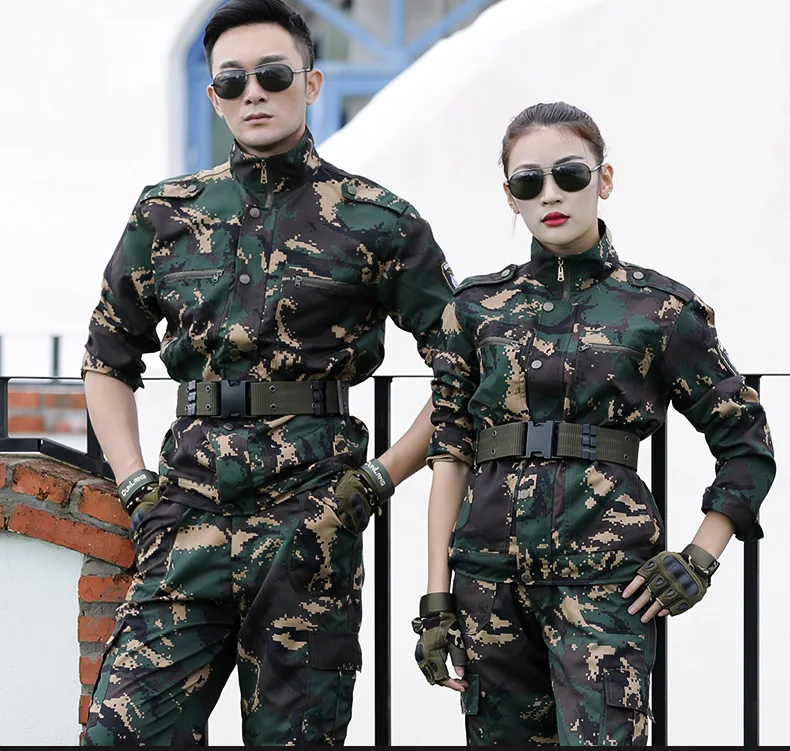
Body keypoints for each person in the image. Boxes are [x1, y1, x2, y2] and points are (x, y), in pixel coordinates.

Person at [79, 0, 457, 745]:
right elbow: (107, 358)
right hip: (184, 515)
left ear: (310, 83)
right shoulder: (165, 214)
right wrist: (135, 485)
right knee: (122, 733)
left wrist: (373, 484)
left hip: (312, 521)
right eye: (232, 80)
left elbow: (465, 373)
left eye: (273, 75)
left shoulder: (378, 220)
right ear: (215, 96)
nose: (253, 92)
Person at [411, 101, 776, 746]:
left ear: (603, 180)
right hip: (488, 582)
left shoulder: (659, 309)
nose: (550, 194)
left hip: (608, 582)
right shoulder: (475, 308)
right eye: (529, 182)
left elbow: (746, 442)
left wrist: (700, 558)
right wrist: (437, 598)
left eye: (570, 174)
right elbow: (450, 452)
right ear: (510, 196)